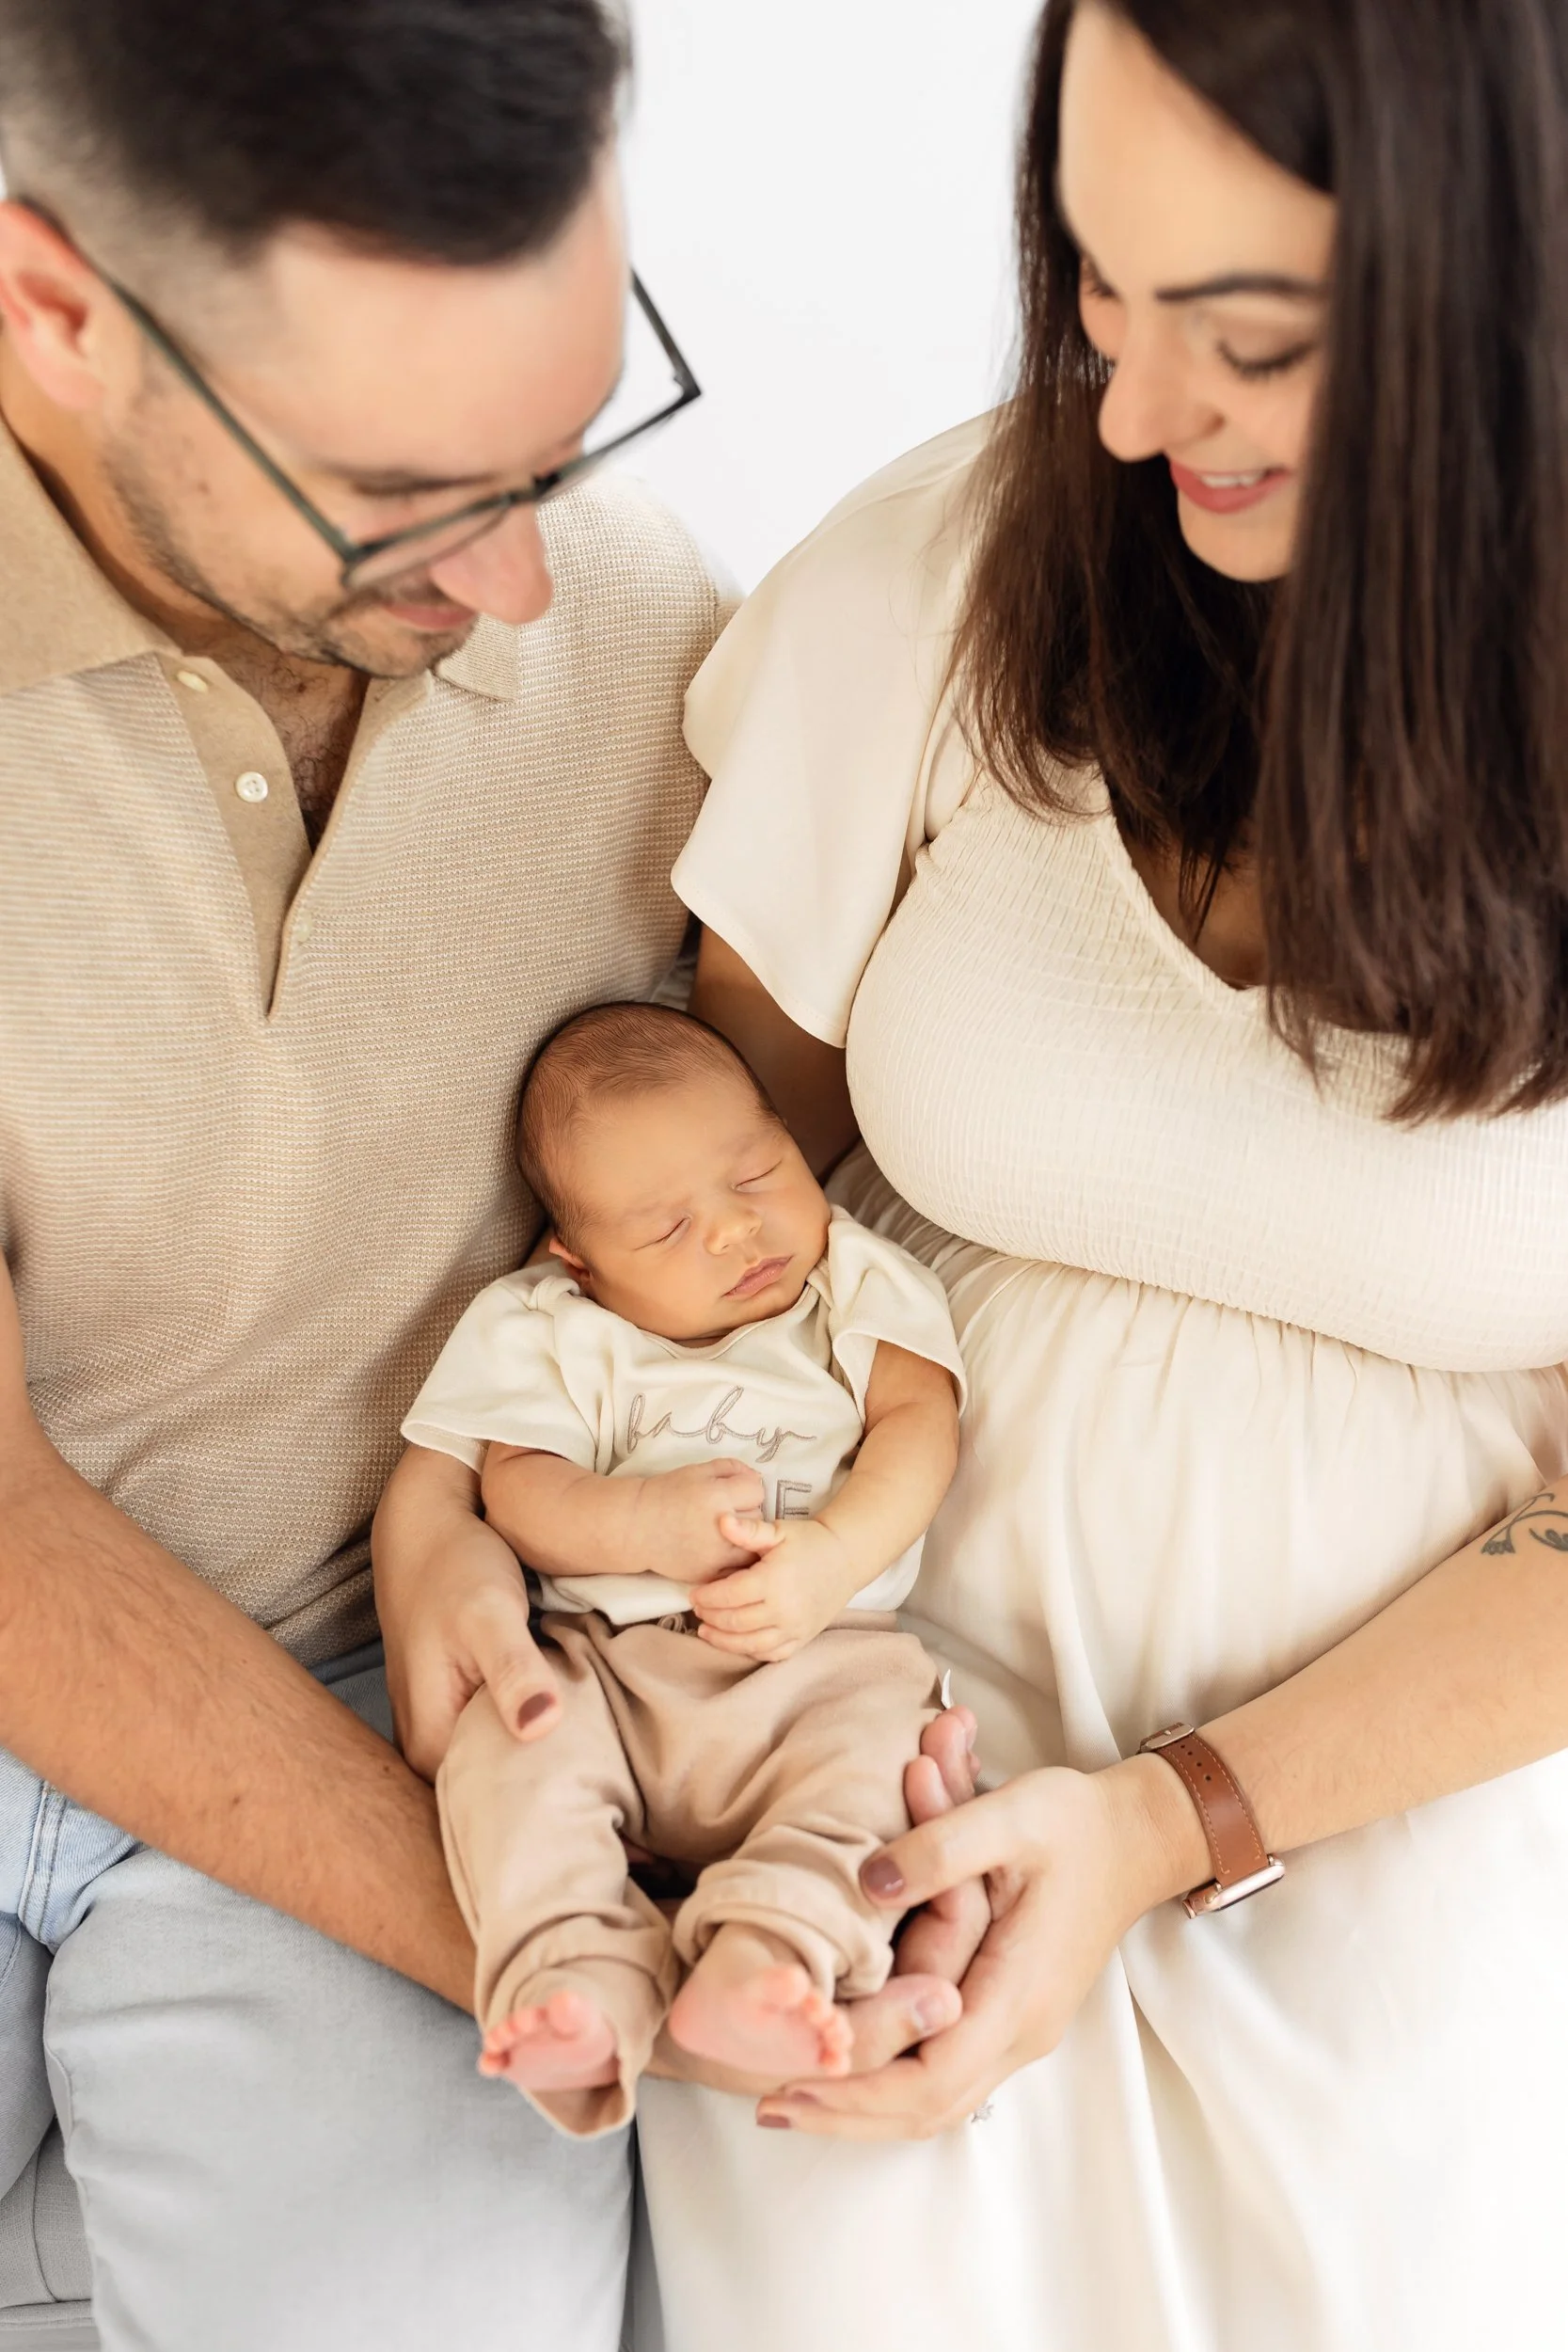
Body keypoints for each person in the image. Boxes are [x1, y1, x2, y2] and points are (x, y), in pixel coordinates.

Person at [622, 1, 1568, 2345]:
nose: (1129, 415)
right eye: (1092, 289)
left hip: (1402, 1775)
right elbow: (694, 1193)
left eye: (1243, 339)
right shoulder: (956, 571)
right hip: (867, 1723)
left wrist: (1173, 1821)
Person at [0, 1, 734, 2344]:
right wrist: (544, 1944)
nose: (525, 580)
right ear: (54, 313)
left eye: (580, 424)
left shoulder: (647, 634)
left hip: (372, 1696)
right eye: (413, 500)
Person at [396, 1002, 964, 2135]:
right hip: (605, 1668)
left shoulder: (851, 1283)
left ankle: (769, 1957)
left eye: (757, 1174)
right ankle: (573, 1978)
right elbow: (516, 1489)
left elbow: (919, 1426)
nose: (732, 1233)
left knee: (881, 1755)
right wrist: (641, 1527)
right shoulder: (542, 1324)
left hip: (818, 1659)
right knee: (508, 1754)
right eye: (663, 1230)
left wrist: (836, 1554)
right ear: (578, 1259)